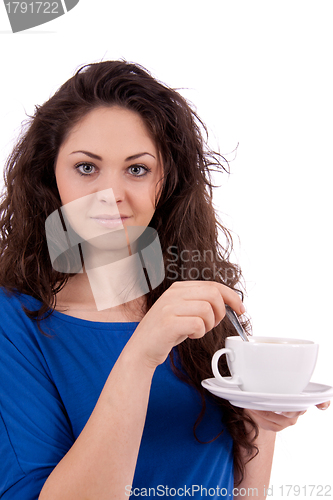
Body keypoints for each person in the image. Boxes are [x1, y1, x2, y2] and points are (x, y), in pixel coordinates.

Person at [0, 60, 329, 500]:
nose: (111, 194)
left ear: (166, 182)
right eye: (86, 168)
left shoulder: (198, 305)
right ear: (50, 175)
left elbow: (246, 493)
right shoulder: (15, 322)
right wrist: (141, 353)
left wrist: (261, 420)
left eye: (137, 169)